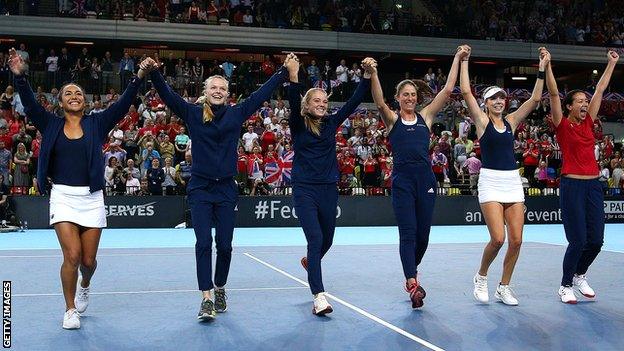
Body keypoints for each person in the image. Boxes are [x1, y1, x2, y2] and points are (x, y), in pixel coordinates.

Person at [8, 48, 149, 329]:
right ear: (60, 102)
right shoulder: (50, 124)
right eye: (68, 93)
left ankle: (86, 284)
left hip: (91, 197)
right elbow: (31, 104)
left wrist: (138, 78)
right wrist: (19, 76)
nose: (74, 96)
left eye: (78, 93)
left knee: (88, 261)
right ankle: (70, 309)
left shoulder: (97, 123)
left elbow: (122, 105)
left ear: (84, 102)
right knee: (71, 256)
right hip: (62, 196)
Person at [145, 53, 291, 321]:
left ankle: (220, 286)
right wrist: (154, 72)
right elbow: (168, 96)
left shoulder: (236, 114)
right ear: (205, 91)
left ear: (227, 93)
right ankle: (206, 298)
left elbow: (260, 96)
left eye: (222, 88)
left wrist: (283, 72)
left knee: (224, 246)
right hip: (200, 188)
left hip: (226, 189)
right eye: (213, 87)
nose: (218, 91)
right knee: (203, 242)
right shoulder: (192, 112)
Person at [367, 46, 466, 308]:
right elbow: (378, 101)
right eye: (405, 95)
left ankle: (412, 266)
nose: (410, 98)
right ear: (398, 98)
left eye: (413, 94)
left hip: (426, 182)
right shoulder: (392, 119)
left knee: (423, 237)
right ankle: (412, 281)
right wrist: (374, 72)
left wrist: (456, 58)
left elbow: (446, 90)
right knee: (408, 234)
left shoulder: (426, 117)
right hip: (402, 183)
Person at [461, 46, 548, 306]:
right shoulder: (482, 122)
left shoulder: (510, 120)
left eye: (501, 98)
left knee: (517, 240)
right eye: (493, 99)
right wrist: (465, 61)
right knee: (498, 238)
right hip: (490, 181)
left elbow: (534, 100)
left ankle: (504, 287)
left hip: (512, 181)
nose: (499, 101)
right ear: (486, 104)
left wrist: (542, 68)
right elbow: (466, 92)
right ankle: (481, 276)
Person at [287, 54, 372, 315]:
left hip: (328, 189)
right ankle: (318, 296)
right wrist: (293, 74)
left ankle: (311, 263)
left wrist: (367, 76)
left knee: (327, 240)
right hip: (304, 189)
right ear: (307, 104)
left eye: (325, 101)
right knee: (315, 238)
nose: (322, 104)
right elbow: (292, 99)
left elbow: (355, 100)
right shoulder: (298, 124)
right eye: (317, 101)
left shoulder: (332, 122)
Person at [545, 50, 619, 304]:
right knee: (577, 240)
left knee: (596, 241)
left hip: (593, 186)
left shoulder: (589, 123)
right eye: (579, 101)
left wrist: (611, 63)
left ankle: (580, 274)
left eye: (586, 101)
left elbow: (600, 90)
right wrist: (548, 66)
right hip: (572, 186)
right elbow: (554, 94)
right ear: (568, 106)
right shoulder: (562, 125)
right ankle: (565, 285)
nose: (585, 104)